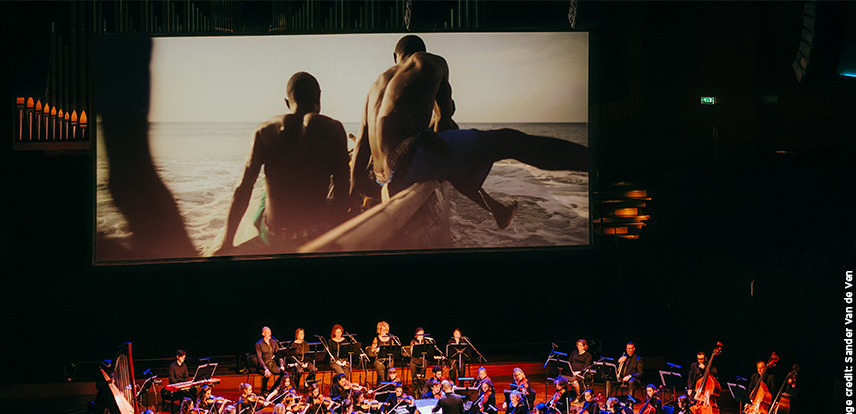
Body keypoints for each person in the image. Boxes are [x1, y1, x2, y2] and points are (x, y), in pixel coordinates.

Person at [350, 35, 588, 229]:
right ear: (421, 51)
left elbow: (361, 144)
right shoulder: (430, 61)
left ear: (395, 56)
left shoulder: (376, 85)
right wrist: (440, 146)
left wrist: (350, 196)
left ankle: (498, 210)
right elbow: (444, 117)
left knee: (453, 154)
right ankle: (594, 161)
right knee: (506, 140)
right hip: (406, 163)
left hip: (382, 175)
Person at [217, 72, 351, 253]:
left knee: (265, 192)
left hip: (275, 237)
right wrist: (338, 236)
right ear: (319, 100)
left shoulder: (264, 131)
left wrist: (227, 243)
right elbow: (342, 188)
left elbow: (243, 188)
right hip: (316, 233)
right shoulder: (334, 129)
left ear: (287, 102)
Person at [255, 327, 283, 394]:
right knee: (267, 374)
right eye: (267, 332)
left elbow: (279, 354)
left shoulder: (274, 342)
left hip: (272, 365)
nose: (269, 334)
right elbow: (259, 358)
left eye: (270, 332)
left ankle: (272, 389)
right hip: (263, 366)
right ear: (263, 334)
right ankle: (264, 390)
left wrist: (281, 365)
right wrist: (265, 369)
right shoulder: (259, 344)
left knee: (284, 374)